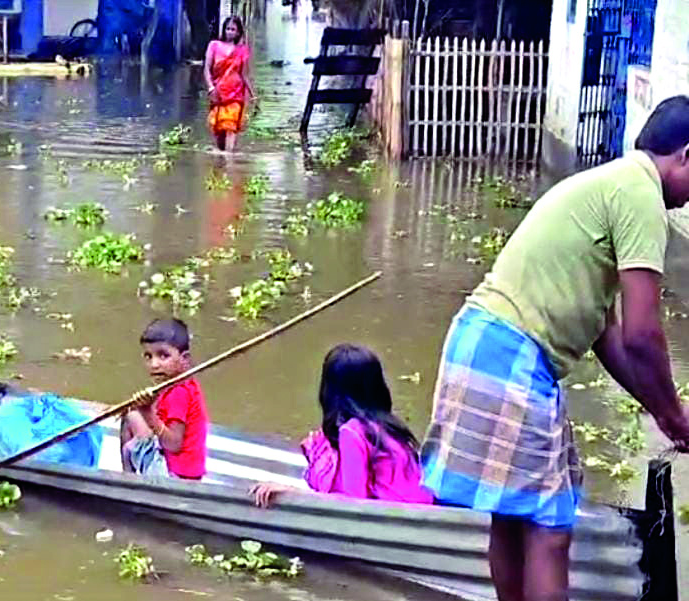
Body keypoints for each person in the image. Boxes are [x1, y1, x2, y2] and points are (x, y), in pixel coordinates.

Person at [420, 95, 689, 601]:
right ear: (686, 155)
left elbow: (608, 336)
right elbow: (643, 334)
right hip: (512, 353)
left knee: (514, 515)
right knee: (550, 528)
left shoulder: (611, 182)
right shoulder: (642, 196)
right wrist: (676, 416)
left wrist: (662, 411)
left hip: (479, 342)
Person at [249, 344, 433, 507]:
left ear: (329, 390)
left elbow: (353, 503)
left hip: (398, 516)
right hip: (421, 508)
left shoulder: (352, 432)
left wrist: (291, 492)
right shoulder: (388, 425)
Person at [121, 318, 209, 480]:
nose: (154, 364)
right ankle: (129, 475)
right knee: (131, 412)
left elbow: (173, 445)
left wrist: (147, 412)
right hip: (182, 470)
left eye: (163, 356)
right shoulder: (179, 384)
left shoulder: (179, 393)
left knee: (131, 417)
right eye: (148, 356)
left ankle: (128, 479)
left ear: (185, 359)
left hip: (175, 476)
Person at [204, 16, 253, 152]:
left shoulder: (242, 50)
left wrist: (253, 95)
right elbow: (207, 69)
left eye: (233, 29)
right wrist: (210, 87)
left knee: (230, 126)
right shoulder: (214, 45)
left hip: (236, 94)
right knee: (219, 132)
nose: (230, 32)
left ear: (238, 32)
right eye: (228, 29)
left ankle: (229, 159)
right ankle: (221, 159)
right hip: (218, 94)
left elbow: (244, 74)